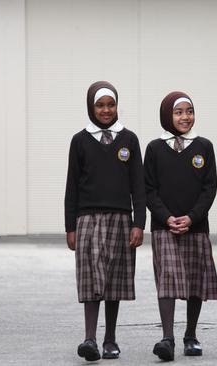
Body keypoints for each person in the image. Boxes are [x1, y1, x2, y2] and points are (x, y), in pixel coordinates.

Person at [64, 81, 146, 361]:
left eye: (110, 104)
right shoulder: (80, 140)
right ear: (91, 107)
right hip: (87, 218)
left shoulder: (129, 140)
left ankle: (110, 338)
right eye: (100, 105)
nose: (106, 110)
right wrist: (70, 227)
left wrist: (139, 222)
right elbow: (72, 186)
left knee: (114, 280)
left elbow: (139, 185)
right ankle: (90, 338)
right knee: (91, 278)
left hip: (121, 219)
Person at [144, 91, 217, 361]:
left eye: (189, 111)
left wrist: (192, 217)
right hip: (164, 227)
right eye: (178, 112)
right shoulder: (154, 148)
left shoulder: (203, 146)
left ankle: (191, 335)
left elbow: (210, 187)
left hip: (195, 226)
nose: (185, 117)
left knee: (194, 281)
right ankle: (167, 337)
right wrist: (167, 218)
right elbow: (149, 190)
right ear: (167, 115)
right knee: (167, 279)